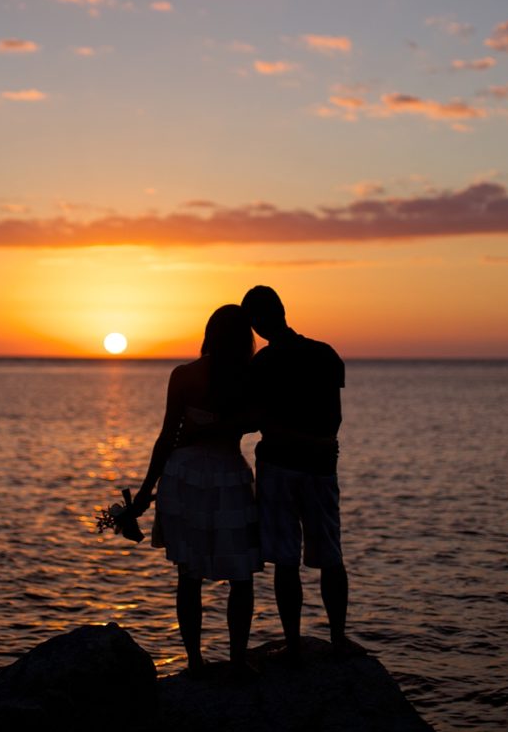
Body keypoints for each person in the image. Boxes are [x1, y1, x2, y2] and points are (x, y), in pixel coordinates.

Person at [130, 307, 262, 676]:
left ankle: (194, 661)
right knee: (241, 576)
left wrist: (144, 493)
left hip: (184, 474)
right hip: (227, 474)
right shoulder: (248, 378)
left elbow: (167, 436)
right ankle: (237, 660)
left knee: (188, 576)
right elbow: (257, 421)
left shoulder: (184, 375)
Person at [241, 285, 349, 659]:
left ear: (256, 323)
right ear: (283, 310)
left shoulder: (262, 364)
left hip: (280, 468)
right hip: (318, 467)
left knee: (287, 560)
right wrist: (314, 443)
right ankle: (337, 638)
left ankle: (293, 644)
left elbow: (257, 422)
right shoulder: (324, 354)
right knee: (328, 554)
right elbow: (333, 419)